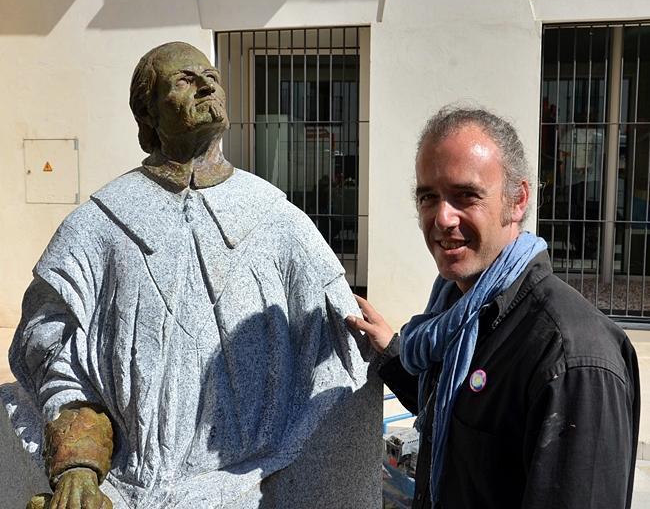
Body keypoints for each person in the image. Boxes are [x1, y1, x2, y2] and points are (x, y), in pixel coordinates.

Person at [9, 42, 375, 508]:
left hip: (255, 484)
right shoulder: (98, 225)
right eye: (184, 79)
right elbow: (51, 350)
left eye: (212, 76)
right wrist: (78, 461)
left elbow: (343, 342)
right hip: (127, 486)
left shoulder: (277, 220)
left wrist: (401, 354)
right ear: (148, 117)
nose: (206, 84)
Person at [347, 106, 640, 509]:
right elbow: (457, 414)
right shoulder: (458, 314)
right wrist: (394, 353)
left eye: (466, 195)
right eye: (428, 197)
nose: (442, 218)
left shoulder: (574, 358)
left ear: (517, 201)